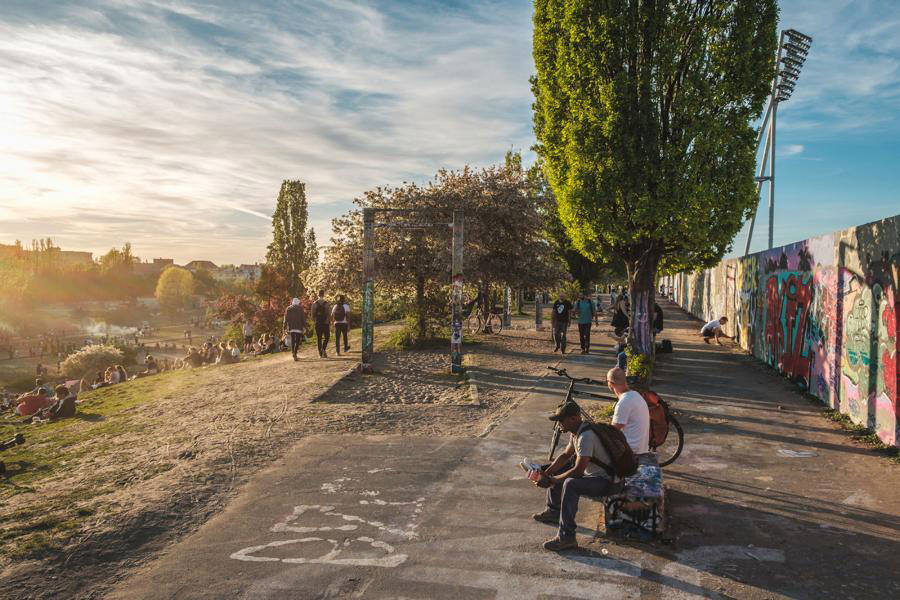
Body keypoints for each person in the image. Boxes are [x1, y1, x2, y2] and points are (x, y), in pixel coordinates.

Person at [531, 401, 618, 552]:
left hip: (608, 481)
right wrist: (547, 473)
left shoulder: (586, 437)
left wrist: (553, 480)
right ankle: (553, 511)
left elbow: (578, 470)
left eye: (561, 420)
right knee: (562, 468)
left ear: (573, 418)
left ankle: (567, 537)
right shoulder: (577, 432)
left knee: (570, 483)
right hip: (594, 476)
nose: (558, 424)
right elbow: (565, 456)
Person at [607, 367, 650, 454]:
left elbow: (612, 432)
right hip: (642, 449)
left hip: (630, 452)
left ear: (610, 383)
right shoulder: (635, 395)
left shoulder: (624, 402)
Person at [312, 290, 331, 358]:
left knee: (319, 338)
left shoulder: (314, 303)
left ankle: (320, 354)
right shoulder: (327, 303)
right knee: (327, 337)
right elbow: (329, 314)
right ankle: (323, 349)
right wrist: (328, 321)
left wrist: (315, 321)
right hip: (325, 323)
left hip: (318, 323)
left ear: (318, 294)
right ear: (324, 294)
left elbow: (312, 315)